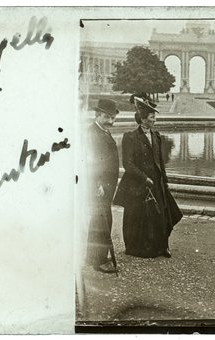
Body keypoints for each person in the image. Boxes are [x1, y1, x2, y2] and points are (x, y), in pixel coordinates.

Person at [114, 95, 183, 258]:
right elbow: (128, 164)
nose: (155, 120)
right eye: (152, 117)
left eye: (154, 117)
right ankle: (138, 248)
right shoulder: (130, 137)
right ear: (143, 119)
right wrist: (144, 178)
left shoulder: (156, 136)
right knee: (139, 216)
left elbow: (160, 161)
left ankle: (162, 246)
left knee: (162, 214)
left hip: (156, 182)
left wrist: (164, 181)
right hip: (138, 183)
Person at [85, 99, 120, 274]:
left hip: (106, 185)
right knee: (102, 221)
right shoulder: (92, 133)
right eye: (107, 117)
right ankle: (99, 260)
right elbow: (91, 162)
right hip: (99, 186)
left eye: (113, 118)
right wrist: (97, 183)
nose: (111, 121)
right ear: (97, 115)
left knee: (100, 219)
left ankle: (92, 257)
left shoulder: (102, 131)